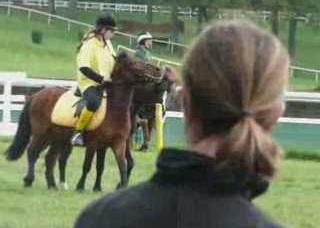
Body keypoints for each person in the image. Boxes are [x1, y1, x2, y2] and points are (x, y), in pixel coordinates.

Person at [74, 20, 289, 227]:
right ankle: (80, 131)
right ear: (275, 116)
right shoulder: (94, 46)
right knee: (92, 103)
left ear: (185, 101)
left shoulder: (98, 218)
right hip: (94, 86)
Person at [71, 14, 117, 146]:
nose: (113, 34)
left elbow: (113, 63)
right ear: (103, 30)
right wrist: (101, 79)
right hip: (89, 82)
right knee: (93, 102)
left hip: (107, 83)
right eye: (111, 31)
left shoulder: (107, 46)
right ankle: (78, 132)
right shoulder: (89, 45)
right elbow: (84, 68)